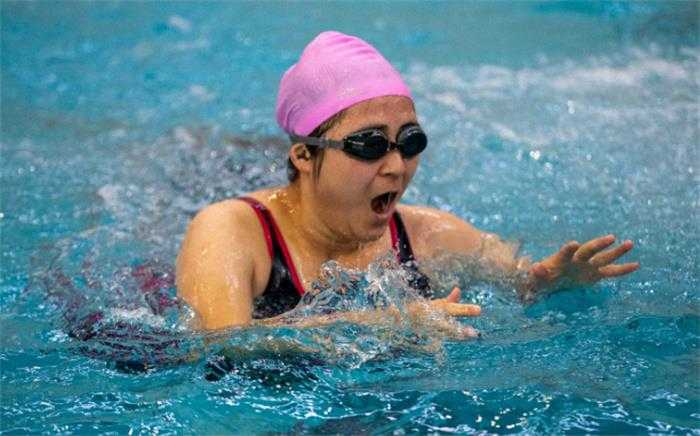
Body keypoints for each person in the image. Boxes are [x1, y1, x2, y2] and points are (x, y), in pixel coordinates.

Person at [176, 31, 638, 332]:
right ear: (303, 155)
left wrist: (547, 283)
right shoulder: (231, 230)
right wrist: (380, 324)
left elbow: (521, 279)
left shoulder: (431, 234)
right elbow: (217, 342)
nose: (396, 165)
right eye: (369, 145)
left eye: (410, 141)